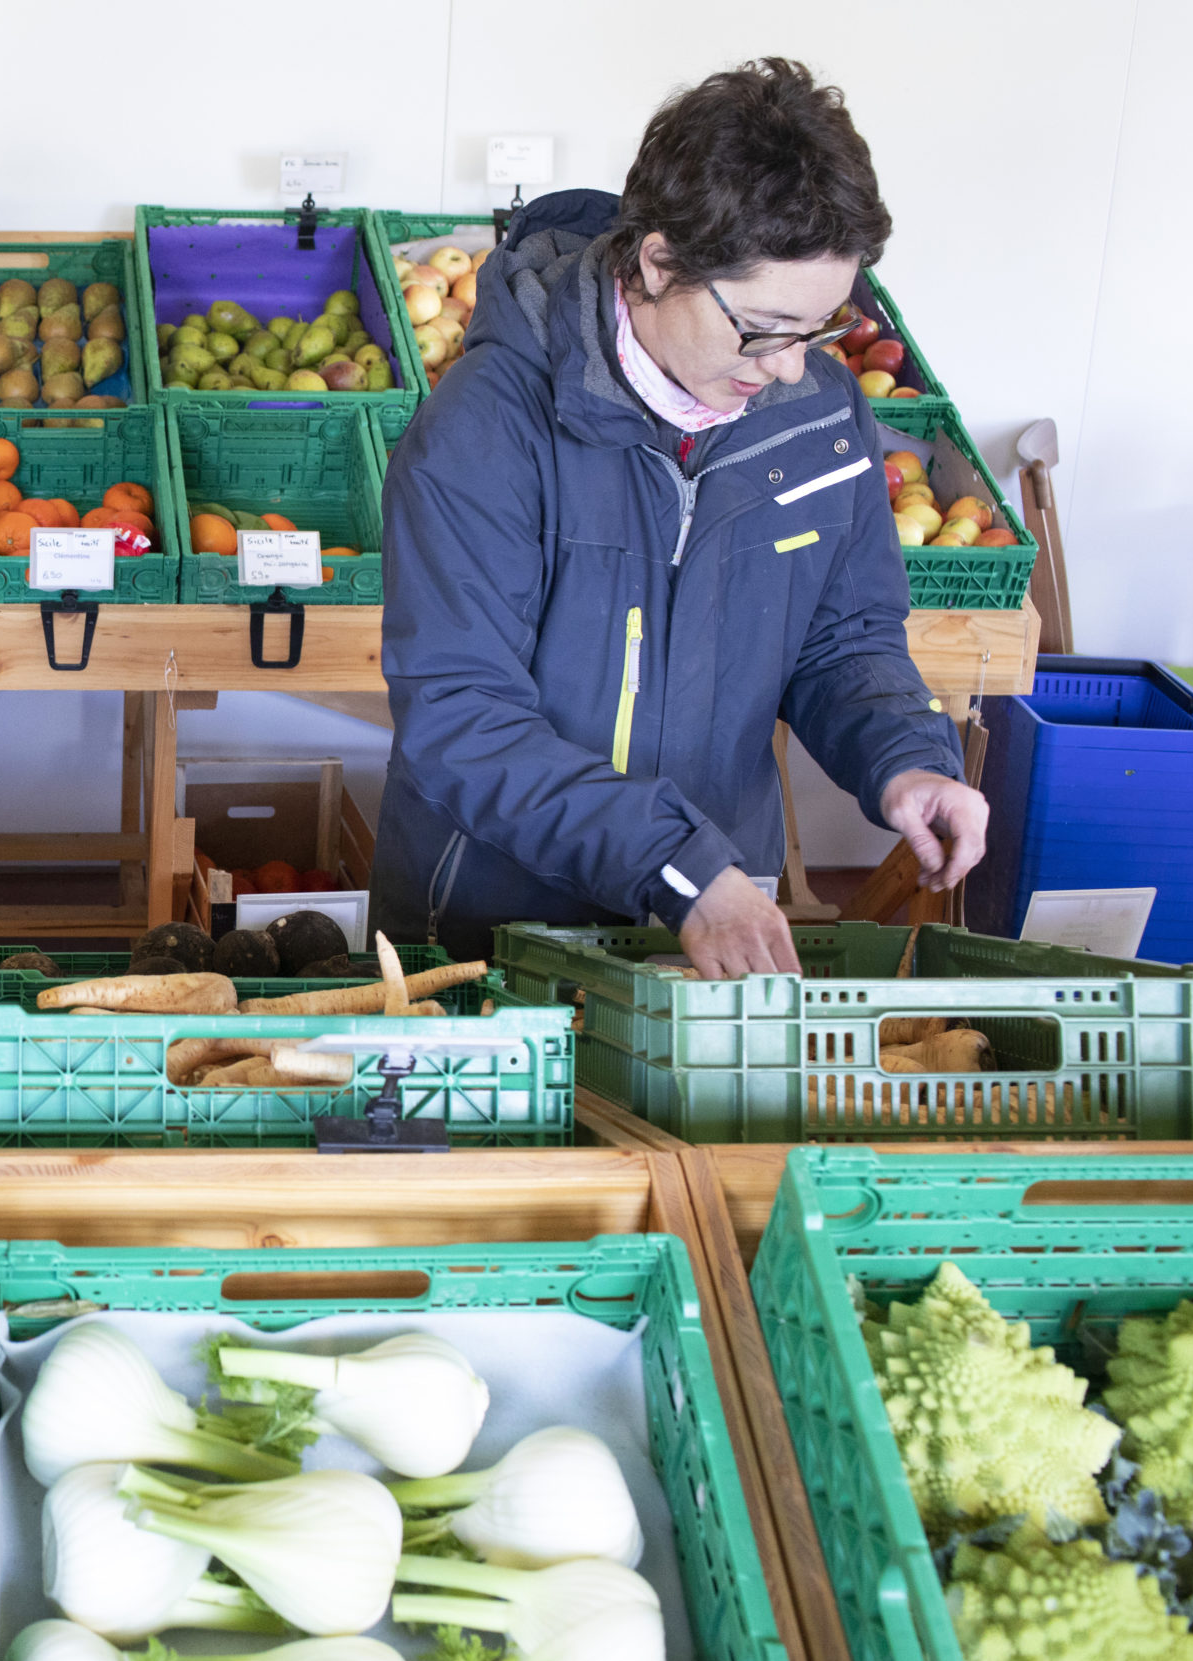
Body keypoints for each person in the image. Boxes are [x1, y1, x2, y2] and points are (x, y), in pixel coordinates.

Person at [370, 58, 988, 978]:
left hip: (720, 916)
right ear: (659, 263)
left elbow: (844, 638)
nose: (790, 368)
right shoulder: (487, 428)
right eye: (765, 328)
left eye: (820, 329)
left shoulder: (819, 415)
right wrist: (682, 867)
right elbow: (465, 718)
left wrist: (906, 758)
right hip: (491, 934)